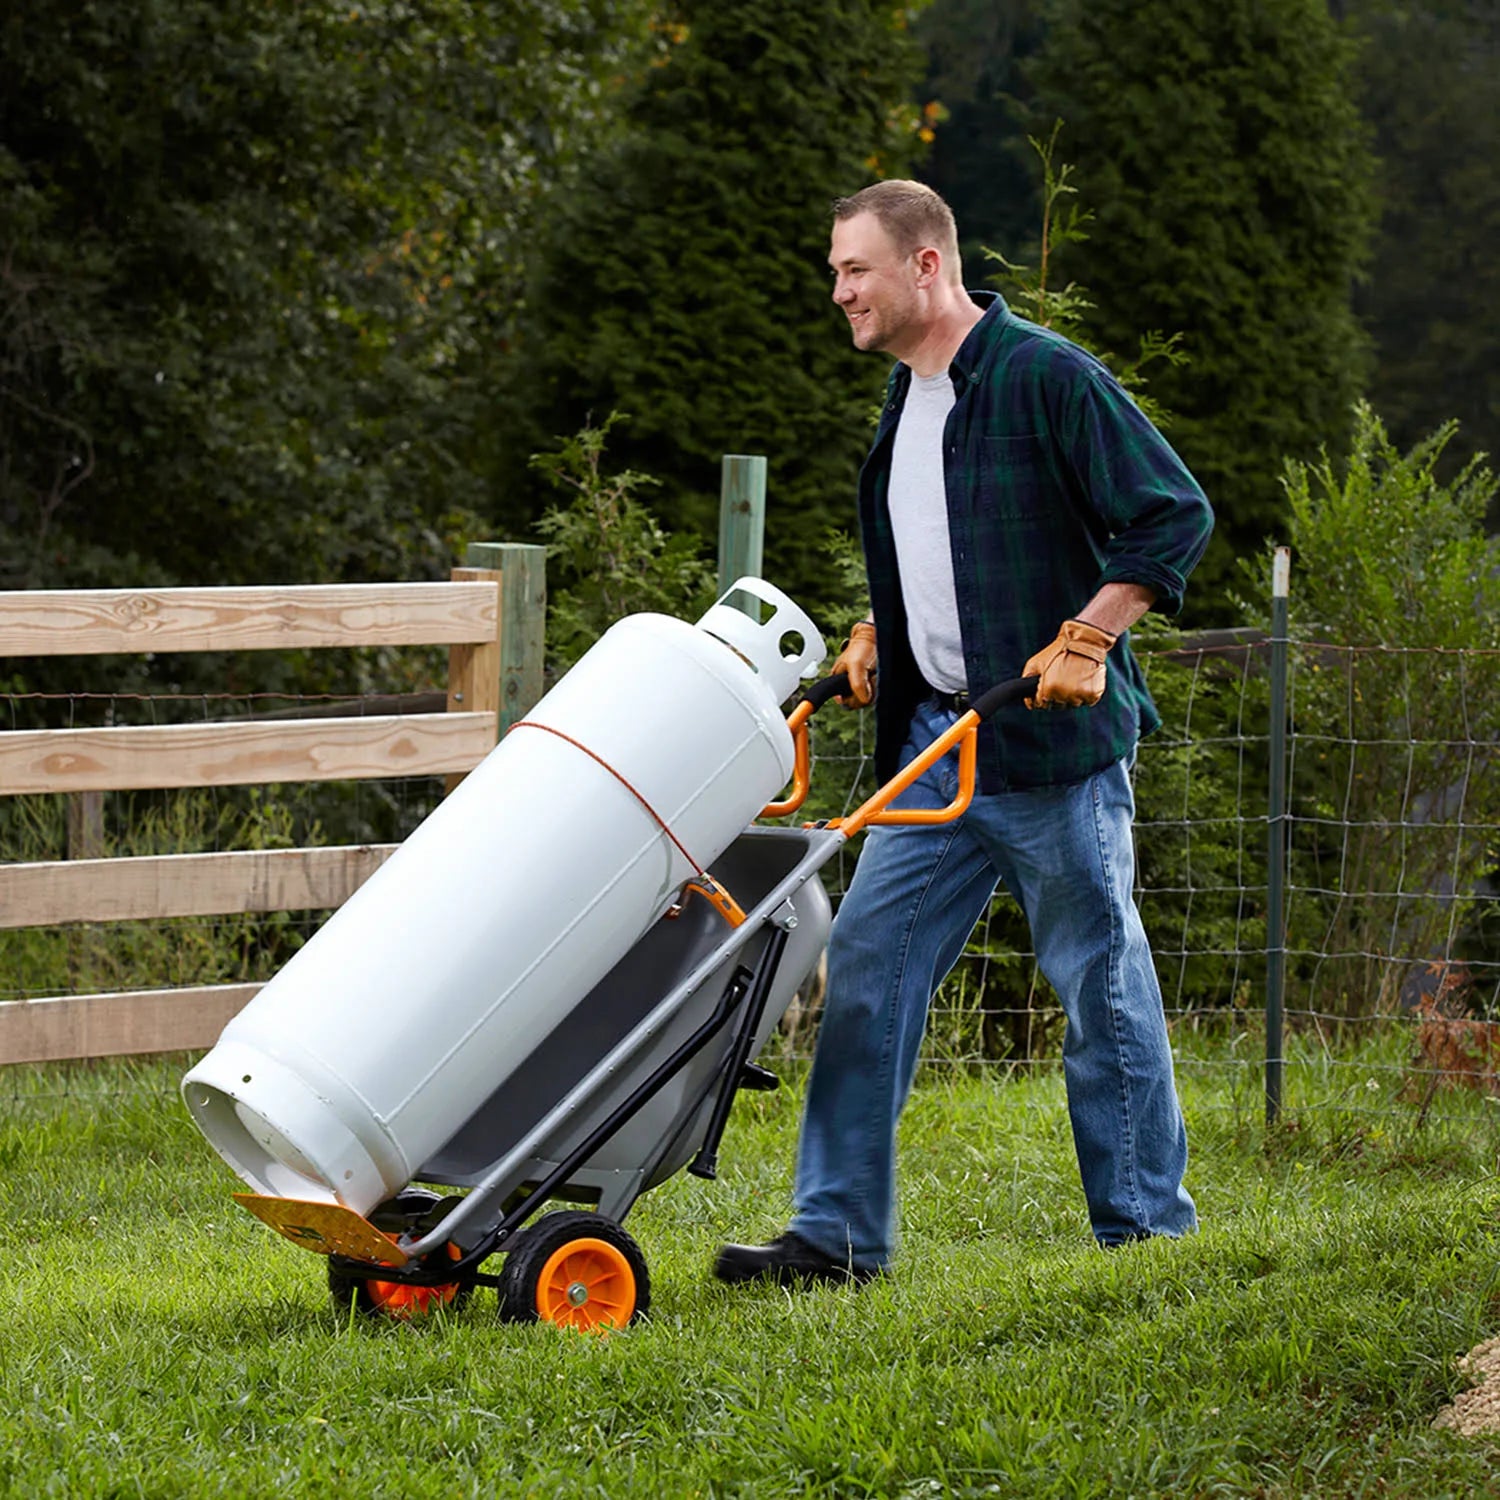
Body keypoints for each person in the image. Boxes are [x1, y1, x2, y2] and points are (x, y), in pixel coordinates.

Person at [713, 180, 1214, 1287]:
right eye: (836, 272)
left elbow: (1172, 512)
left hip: (1048, 756)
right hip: (938, 749)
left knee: (1099, 984)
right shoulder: (909, 396)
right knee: (867, 968)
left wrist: (1091, 632)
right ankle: (837, 1236)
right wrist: (880, 632)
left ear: (926, 265)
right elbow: (946, 549)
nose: (840, 291)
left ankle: (1146, 1237)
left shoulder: (1047, 378)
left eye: (856, 269)